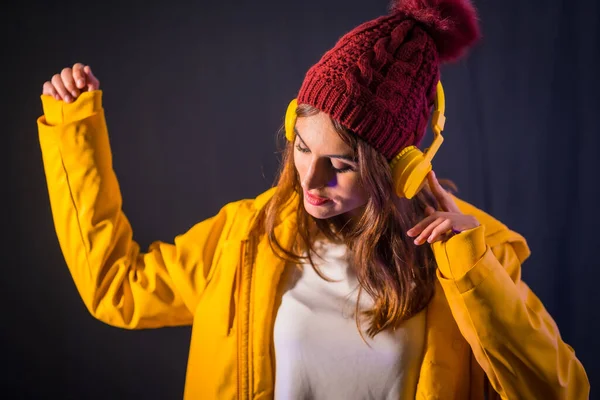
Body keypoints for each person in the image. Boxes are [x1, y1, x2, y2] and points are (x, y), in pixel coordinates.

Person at [37, 0, 589, 398]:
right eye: (302, 147)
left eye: (341, 165)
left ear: (400, 167)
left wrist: (474, 270)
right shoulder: (245, 238)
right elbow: (118, 288)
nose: (309, 178)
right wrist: (74, 128)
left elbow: (558, 392)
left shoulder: (473, 257)